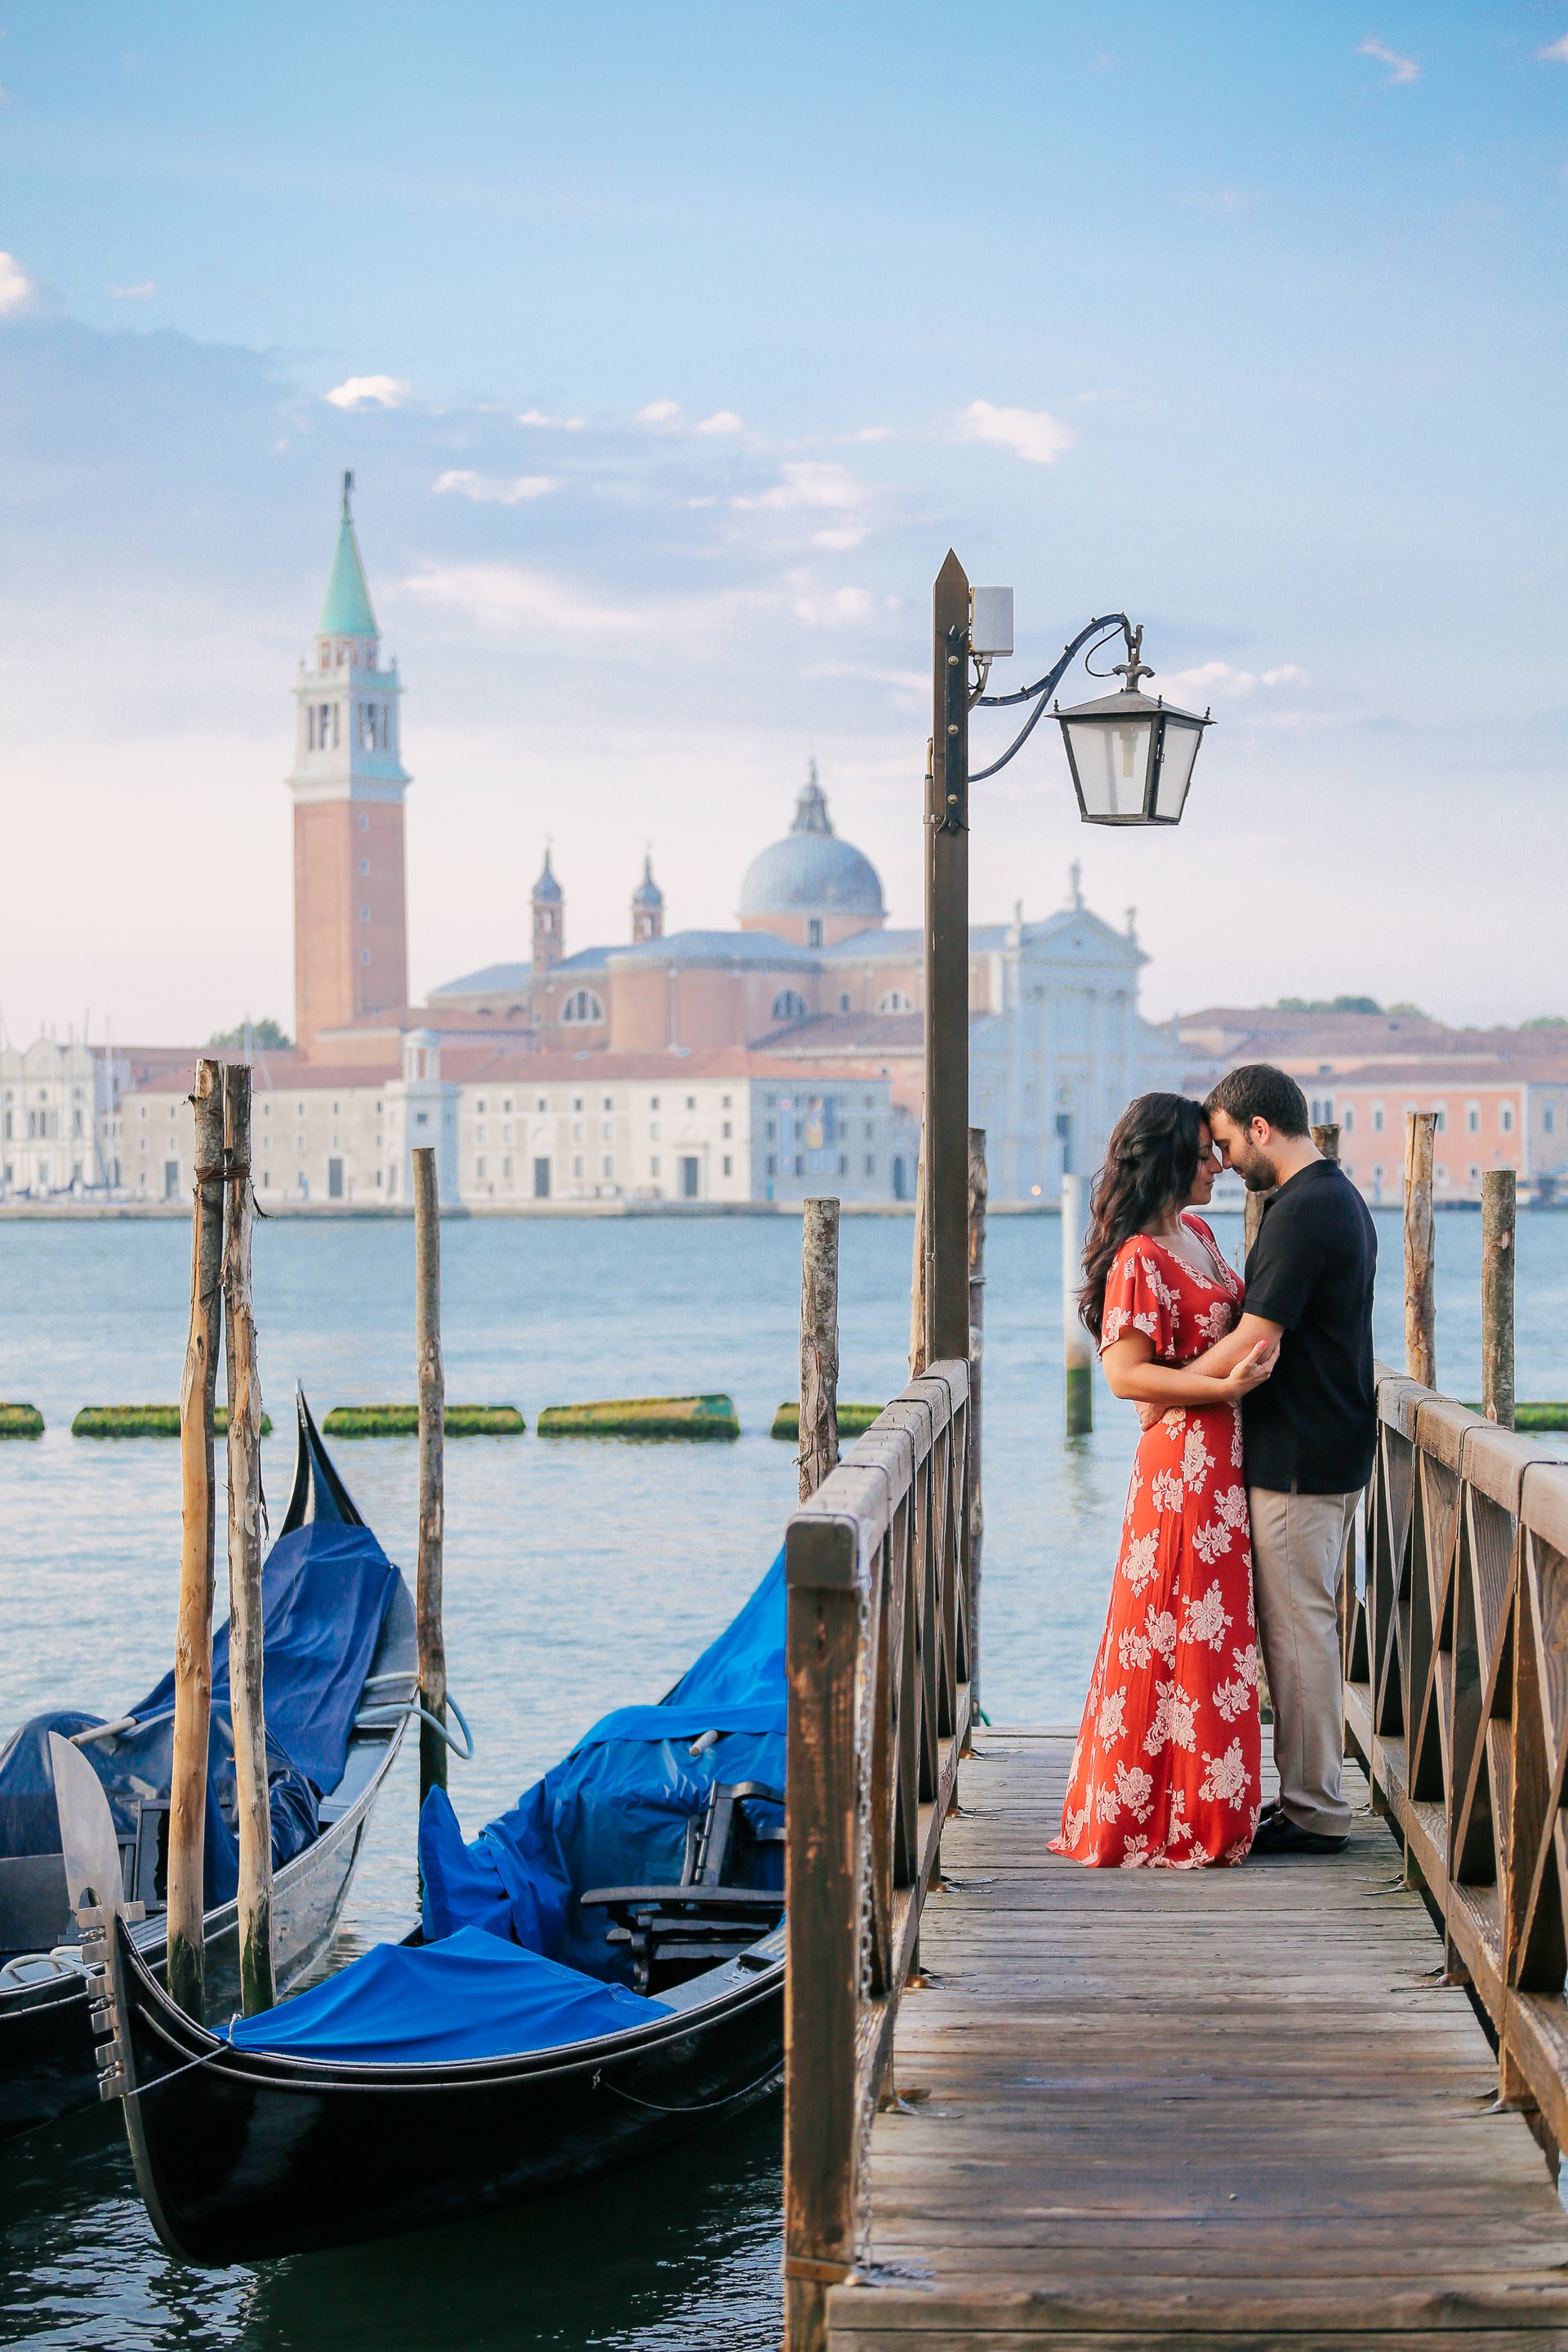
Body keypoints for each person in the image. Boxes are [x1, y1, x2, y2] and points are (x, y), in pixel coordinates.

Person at [1155, 1065, 1377, 1856]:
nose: (1220, 1162)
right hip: (1329, 1441)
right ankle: (1310, 1797)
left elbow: (1258, 1336)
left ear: (1258, 1128)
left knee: (1299, 1636)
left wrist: (1159, 1393)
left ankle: (1315, 1810)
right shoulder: (1334, 1196)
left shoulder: (1303, 1210)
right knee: (1303, 1629)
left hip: (1298, 1454)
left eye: (1223, 1143)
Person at [1053, 1094, 1277, 1869]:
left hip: (1224, 1460)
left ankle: (1213, 1804)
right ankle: (1157, 1812)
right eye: (1206, 1154)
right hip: (1181, 1467)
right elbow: (1125, 1377)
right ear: (1171, 1159)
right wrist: (1220, 1391)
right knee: (1170, 1623)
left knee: (1216, 1631)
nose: (1220, 1164)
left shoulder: (1205, 1237)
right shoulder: (1138, 1259)